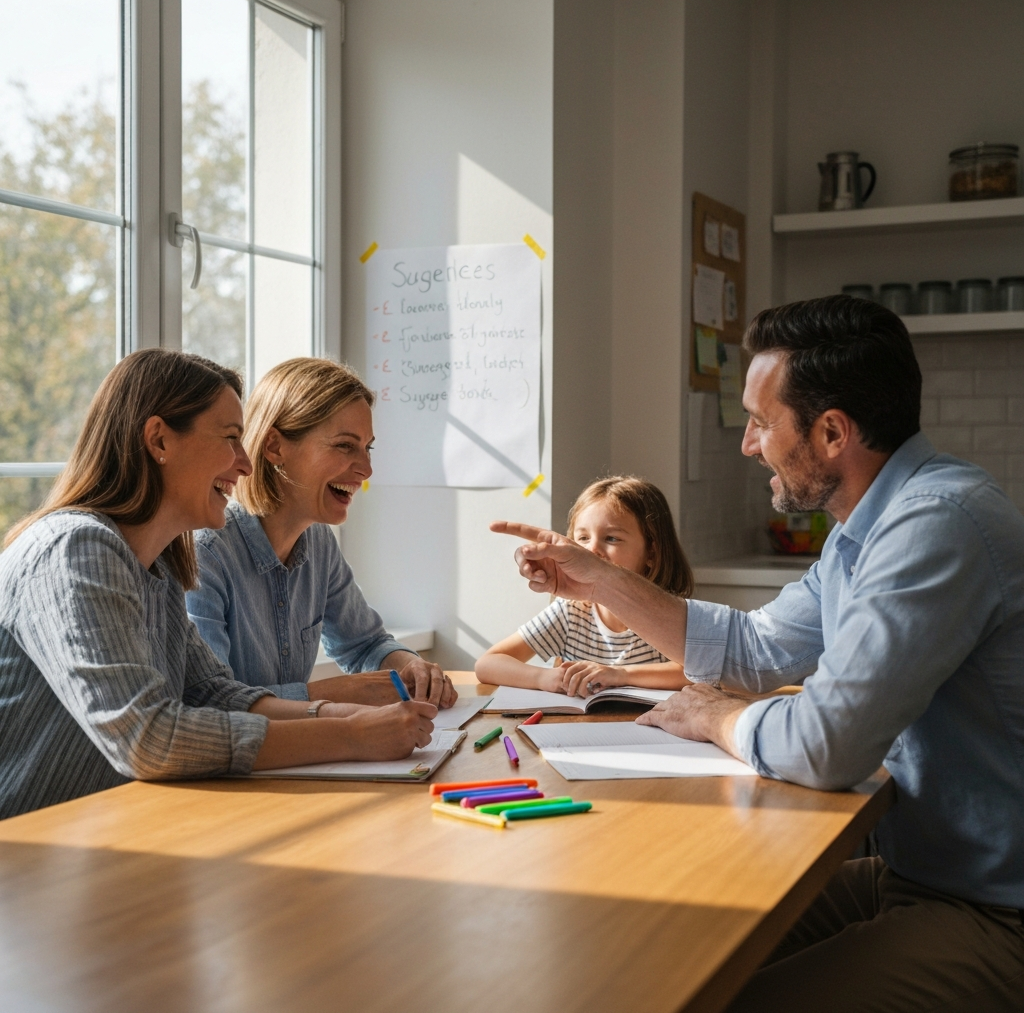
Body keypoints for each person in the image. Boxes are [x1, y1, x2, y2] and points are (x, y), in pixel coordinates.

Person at [493, 295, 1024, 1011]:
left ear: (832, 432)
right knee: (665, 946)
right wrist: (600, 578)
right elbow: (754, 645)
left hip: (993, 909)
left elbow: (826, 744)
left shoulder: (937, 526)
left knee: (724, 996)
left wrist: (717, 719)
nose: (748, 443)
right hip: (919, 874)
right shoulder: (864, 531)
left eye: (761, 422)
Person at [0, 350, 436, 821]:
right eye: (231, 438)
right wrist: (351, 735)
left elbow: (216, 693)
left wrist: (344, 716)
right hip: (26, 859)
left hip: (103, 836)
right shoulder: (77, 547)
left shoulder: (161, 563)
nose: (245, 464)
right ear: (159, 440)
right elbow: (148, 738)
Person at [185, 357, 454, 709]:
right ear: (275, 447)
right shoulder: (206, 553)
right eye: (345, 445)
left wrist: (412, 667)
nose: (366, 468)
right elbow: (207, 703)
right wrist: (328, 694)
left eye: (367, 447)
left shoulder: (318, 542)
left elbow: (365, 644)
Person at [475, 476, 691, 696]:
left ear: (652, 553)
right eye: (583, 538)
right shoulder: (572, 611)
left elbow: (704, 673)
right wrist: (544, 677)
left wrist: (620, 674)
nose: (591, 550)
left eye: (612, 538)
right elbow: (487, 664)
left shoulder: (669, 616)